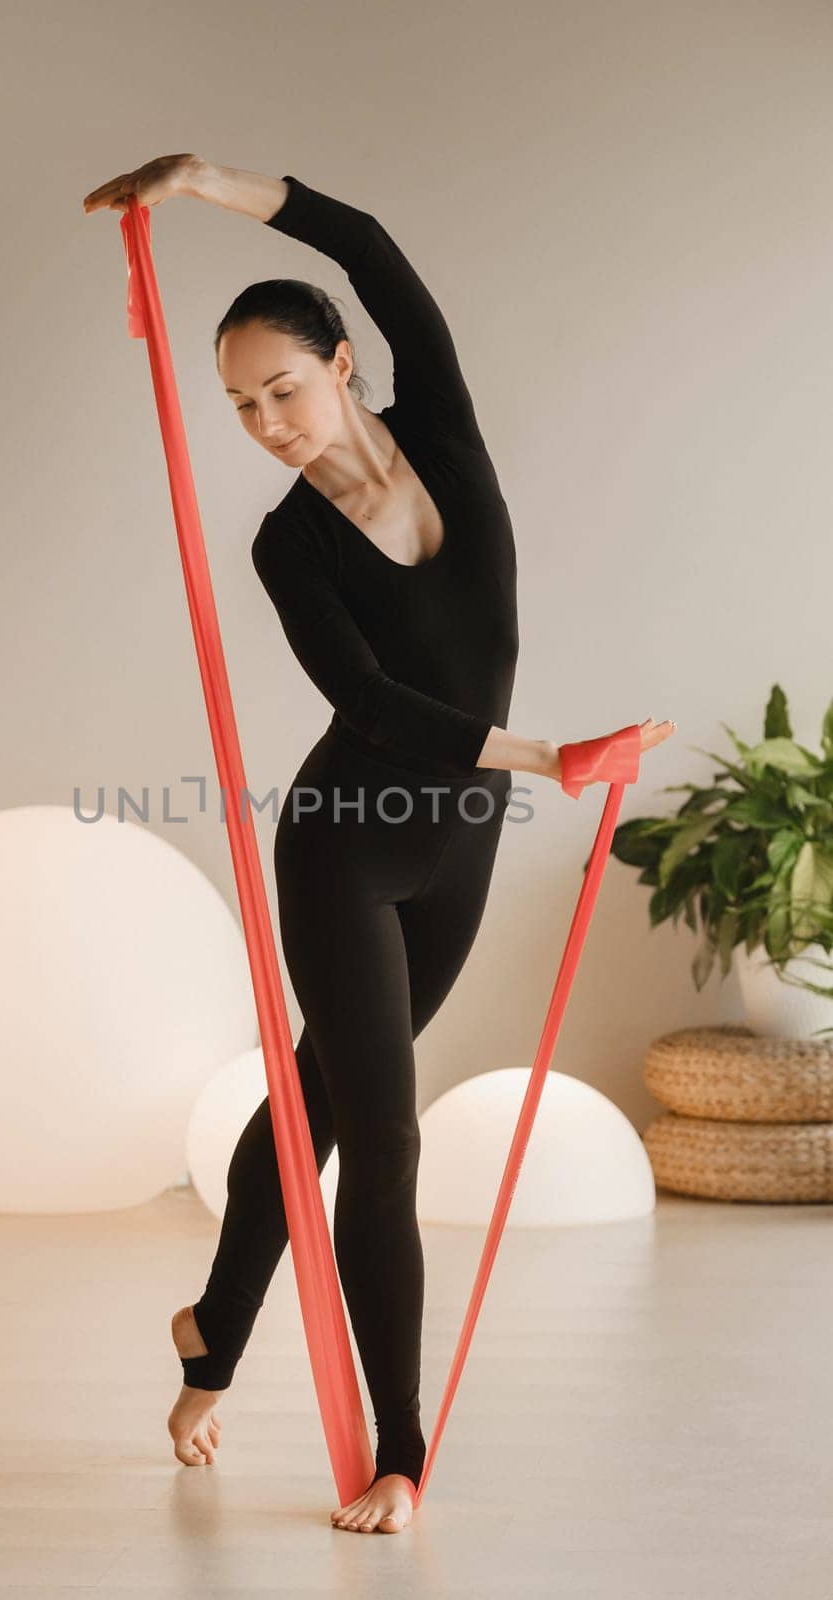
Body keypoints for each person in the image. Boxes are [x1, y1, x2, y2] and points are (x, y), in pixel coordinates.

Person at [83, 155, 676, 1535]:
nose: (265, 423)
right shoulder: (290, 548)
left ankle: (208, 1331)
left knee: (323, 1107)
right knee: (383, 1137)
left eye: (282, 388)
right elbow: (377, 708)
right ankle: (399, 1453)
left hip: (455, 850)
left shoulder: (449, 436)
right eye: (238, 407)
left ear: (344, 366)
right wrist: (551, 758)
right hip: (347, 844)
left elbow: (368, 240)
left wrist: (202, 182)